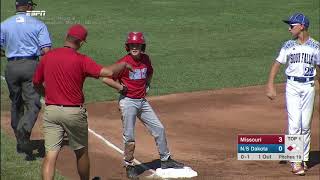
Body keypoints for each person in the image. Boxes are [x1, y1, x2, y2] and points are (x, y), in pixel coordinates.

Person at [32, 24, 131, 180]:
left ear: (67, 37)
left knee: (51, 155)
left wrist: (47, 95)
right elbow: (109, 72)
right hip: (73, 113)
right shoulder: (81, 60)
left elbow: (36, 83)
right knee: (81, 152)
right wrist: (124, 64)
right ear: (81, 42)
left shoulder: (48, 57)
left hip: (51, 111)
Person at [102, 32, 184, 179]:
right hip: (128, 102)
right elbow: (106, 79)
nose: (135, 47)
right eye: (132, 45)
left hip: (142, 101)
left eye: (137, 45)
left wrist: (148, 84)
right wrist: (120, 88)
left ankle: (165, 159)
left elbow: (150, 72)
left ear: (142, 46)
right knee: (129, 135)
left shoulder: (145, 59)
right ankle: (129, 165)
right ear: (128, 46)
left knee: (159, 128)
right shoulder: (123, 62)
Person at [266, 13, 320, 176]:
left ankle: (303, 158)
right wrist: (270, 85)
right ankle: (295, 160)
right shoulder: (288, 45)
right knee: (295, 124)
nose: (289, 28)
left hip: (309, 86)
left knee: (305, 125)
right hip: (292, 86)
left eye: (292, 25)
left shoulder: (316, 46)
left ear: (302, 26)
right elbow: (277, 64)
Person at [0, 0, 51, 159]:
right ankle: (25, 129)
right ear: (28, 7)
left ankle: (21, 143)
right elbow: (46, 50)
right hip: (31, 65)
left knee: (16, 103)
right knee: (33, 103)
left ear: (16, 7)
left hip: (11, 67)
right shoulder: (38, 24)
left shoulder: (5, 24)